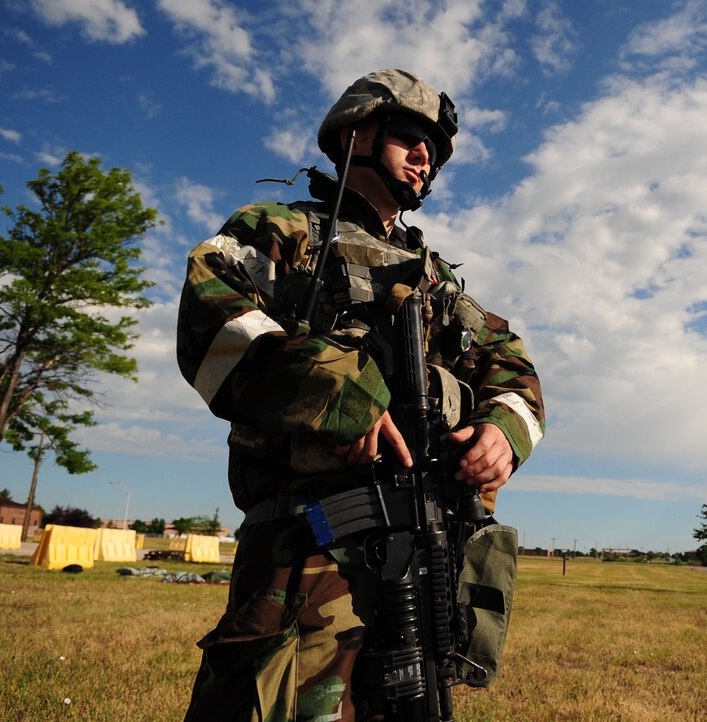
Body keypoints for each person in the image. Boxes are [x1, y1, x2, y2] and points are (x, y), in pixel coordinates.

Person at [176, 68, 545, 722]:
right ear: (354, 135)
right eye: (410, 135)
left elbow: (507, 357)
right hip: (309, 553)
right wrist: (339, 389)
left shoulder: (436, 278)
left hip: (424, 551)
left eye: (436, 148)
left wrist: (503, 431)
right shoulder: (287, 231)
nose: (426, 156)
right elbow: (210, 312)